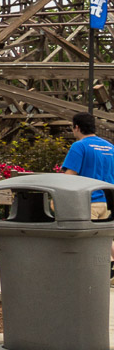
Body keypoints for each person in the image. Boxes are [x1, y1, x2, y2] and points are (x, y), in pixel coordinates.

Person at [60, 111, 114, 269]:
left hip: (89, 201)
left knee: (90, 241)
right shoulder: (111, 147)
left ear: (76, 127)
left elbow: (69, 176)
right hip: (109, 202)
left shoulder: (79, 146)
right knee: (106, 238)